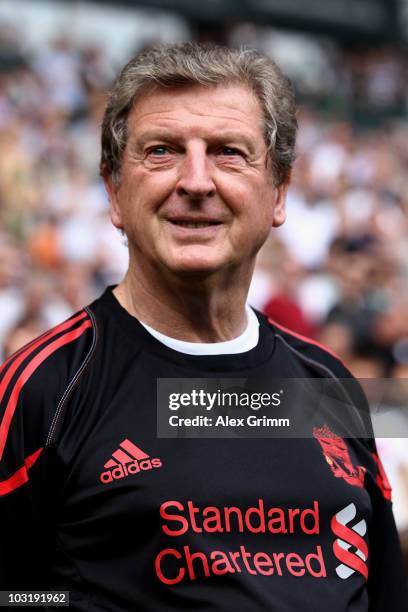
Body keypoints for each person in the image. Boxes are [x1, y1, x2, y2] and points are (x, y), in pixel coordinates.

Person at [0, 42, 406, 611]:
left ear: (280, 192)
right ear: (115, 191)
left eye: (228, 153)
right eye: (162, 151)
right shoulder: (45, 390)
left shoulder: (328, 387)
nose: (196, 181)